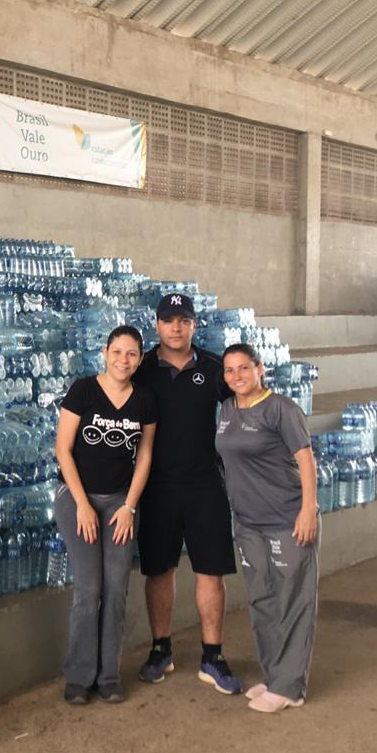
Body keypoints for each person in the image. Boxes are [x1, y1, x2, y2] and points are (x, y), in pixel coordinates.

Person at [134, 293, 241, 694]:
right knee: (159, 570)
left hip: (205, 484)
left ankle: (212, 656)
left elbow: (246, 407)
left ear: (195, 325)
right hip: (156, 487)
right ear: (157, 325)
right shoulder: (142, 369)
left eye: (183, 320)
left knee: (210, 571)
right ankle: (160, 649)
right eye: (168, 320)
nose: (176, 328)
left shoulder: (214, 368)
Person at [54, 325, 157, 705]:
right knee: (89, 589)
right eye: (117, 352)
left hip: (120, 503)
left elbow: (145, 455)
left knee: (116, 590)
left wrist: (129, 506)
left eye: (131, 354)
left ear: (140, 359)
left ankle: (108, 676)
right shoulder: (83, 390)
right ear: (105, 353)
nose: (123, 360)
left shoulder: (144, 399)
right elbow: (62, 450)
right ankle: (79, 676)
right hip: (76, 497)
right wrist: (82, 504)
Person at [216, 343, 319, 713]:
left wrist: (308, 509)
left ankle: (291, 687)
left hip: (286, 519)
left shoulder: (281, 409)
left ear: (260, 369)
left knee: (292, 600)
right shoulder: (227, 409)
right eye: (230, 370)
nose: (237, 376)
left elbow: (306, 460)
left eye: (244, 368)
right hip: (247, 521)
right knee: (262, 599)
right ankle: (274, 675)